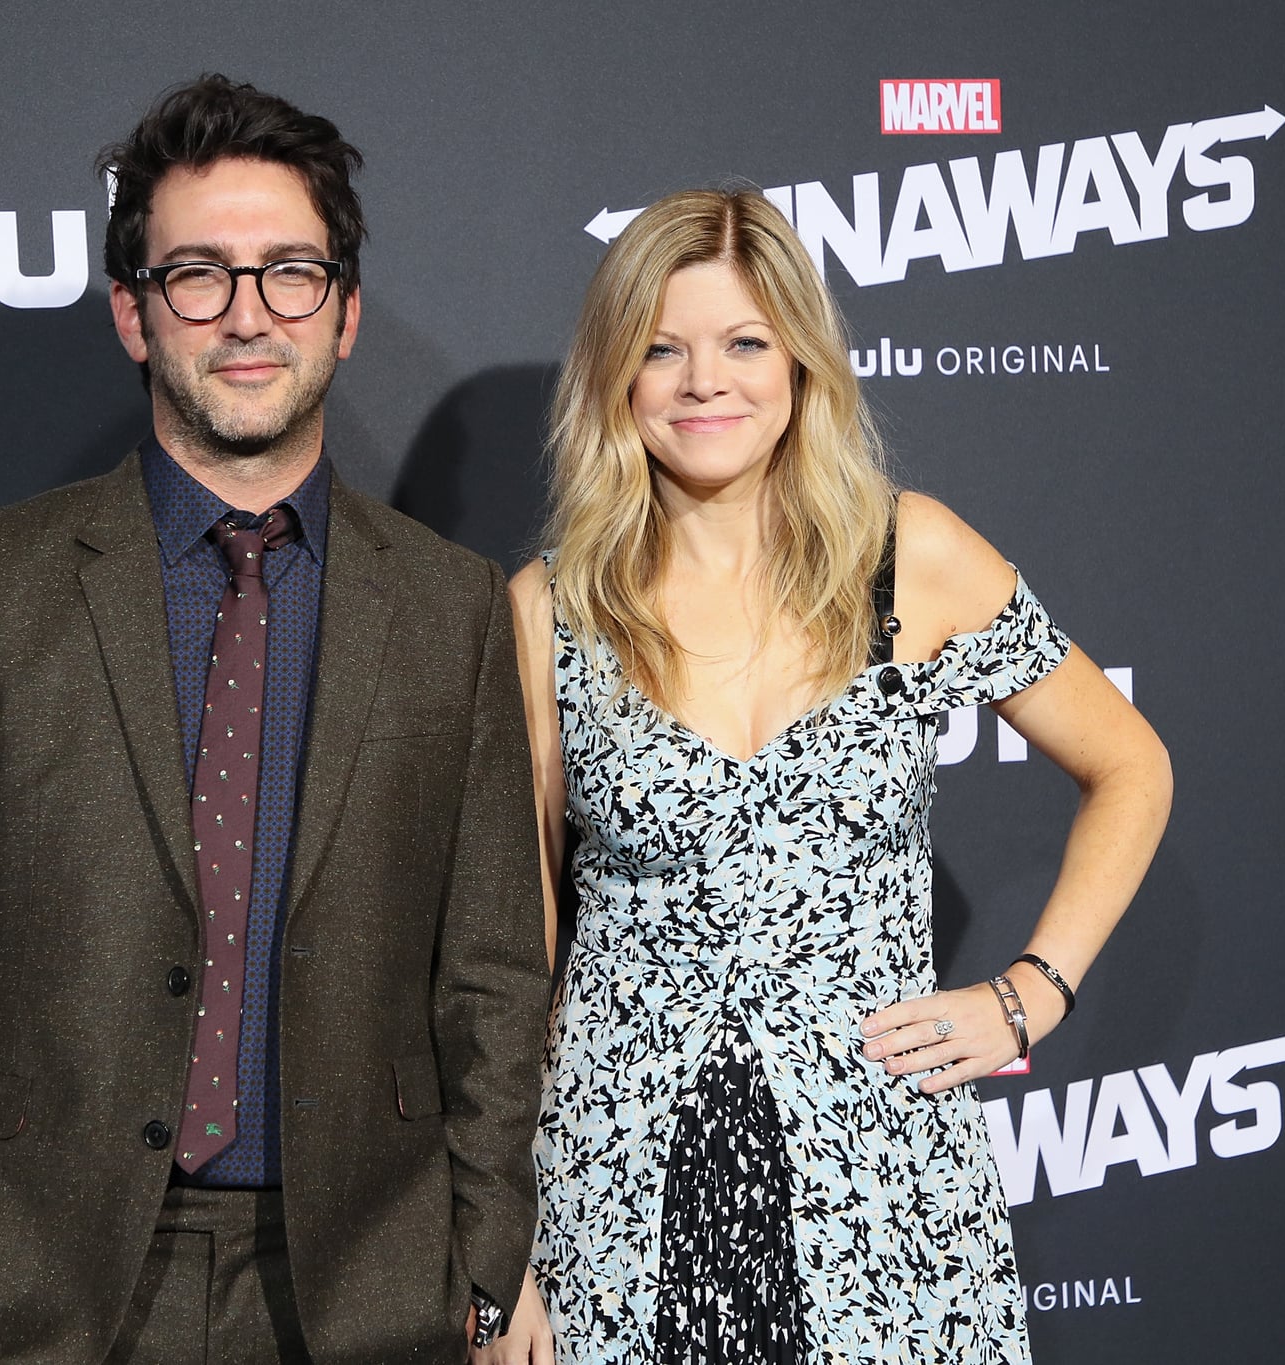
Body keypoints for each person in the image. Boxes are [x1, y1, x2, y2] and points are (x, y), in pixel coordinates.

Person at [0, 75, 550, 1365]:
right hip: (33, 1291)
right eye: (196, 274)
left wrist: (480, 1268)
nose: (247, 315)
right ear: (132, 315)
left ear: (348, 312)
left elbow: (488, 973)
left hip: (362, 1295)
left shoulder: (450, 605)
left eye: (288, 274)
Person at [501, 189, 1173, 1364]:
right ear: (615, 376)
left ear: (802, 362)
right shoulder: (550, 611)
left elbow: (1129, 763)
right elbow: (520, 941)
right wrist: (503, 1257)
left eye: (744, 342)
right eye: (661, 348)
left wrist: (1028, 996)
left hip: (888, 1180)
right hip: (613, 1183)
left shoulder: (911, 558)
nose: (704, 381)